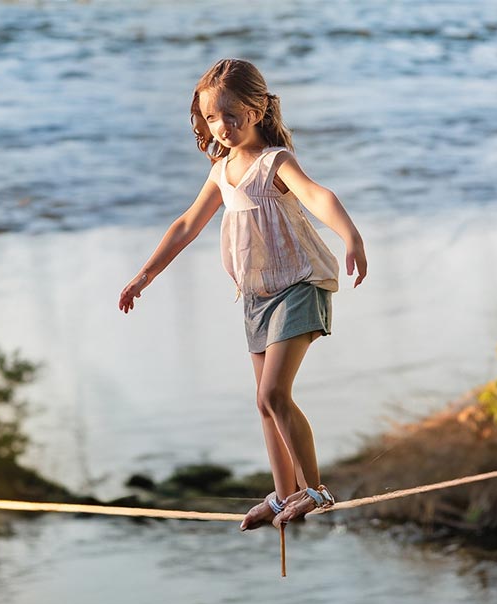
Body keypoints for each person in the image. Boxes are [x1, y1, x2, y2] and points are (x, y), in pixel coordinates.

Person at [118, 58, 367, 531]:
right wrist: (144, 275)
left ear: (256, 110)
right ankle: (283, 495)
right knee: (263, 401)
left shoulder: (275, 162)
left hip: (298, 283)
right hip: (255, 295)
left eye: (232, 115)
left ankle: (315, 490)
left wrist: (351, 237)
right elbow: (186, 226)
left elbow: (319, 197)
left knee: (275, 393)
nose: (223, 127)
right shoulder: (221, 170)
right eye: (213, 117)